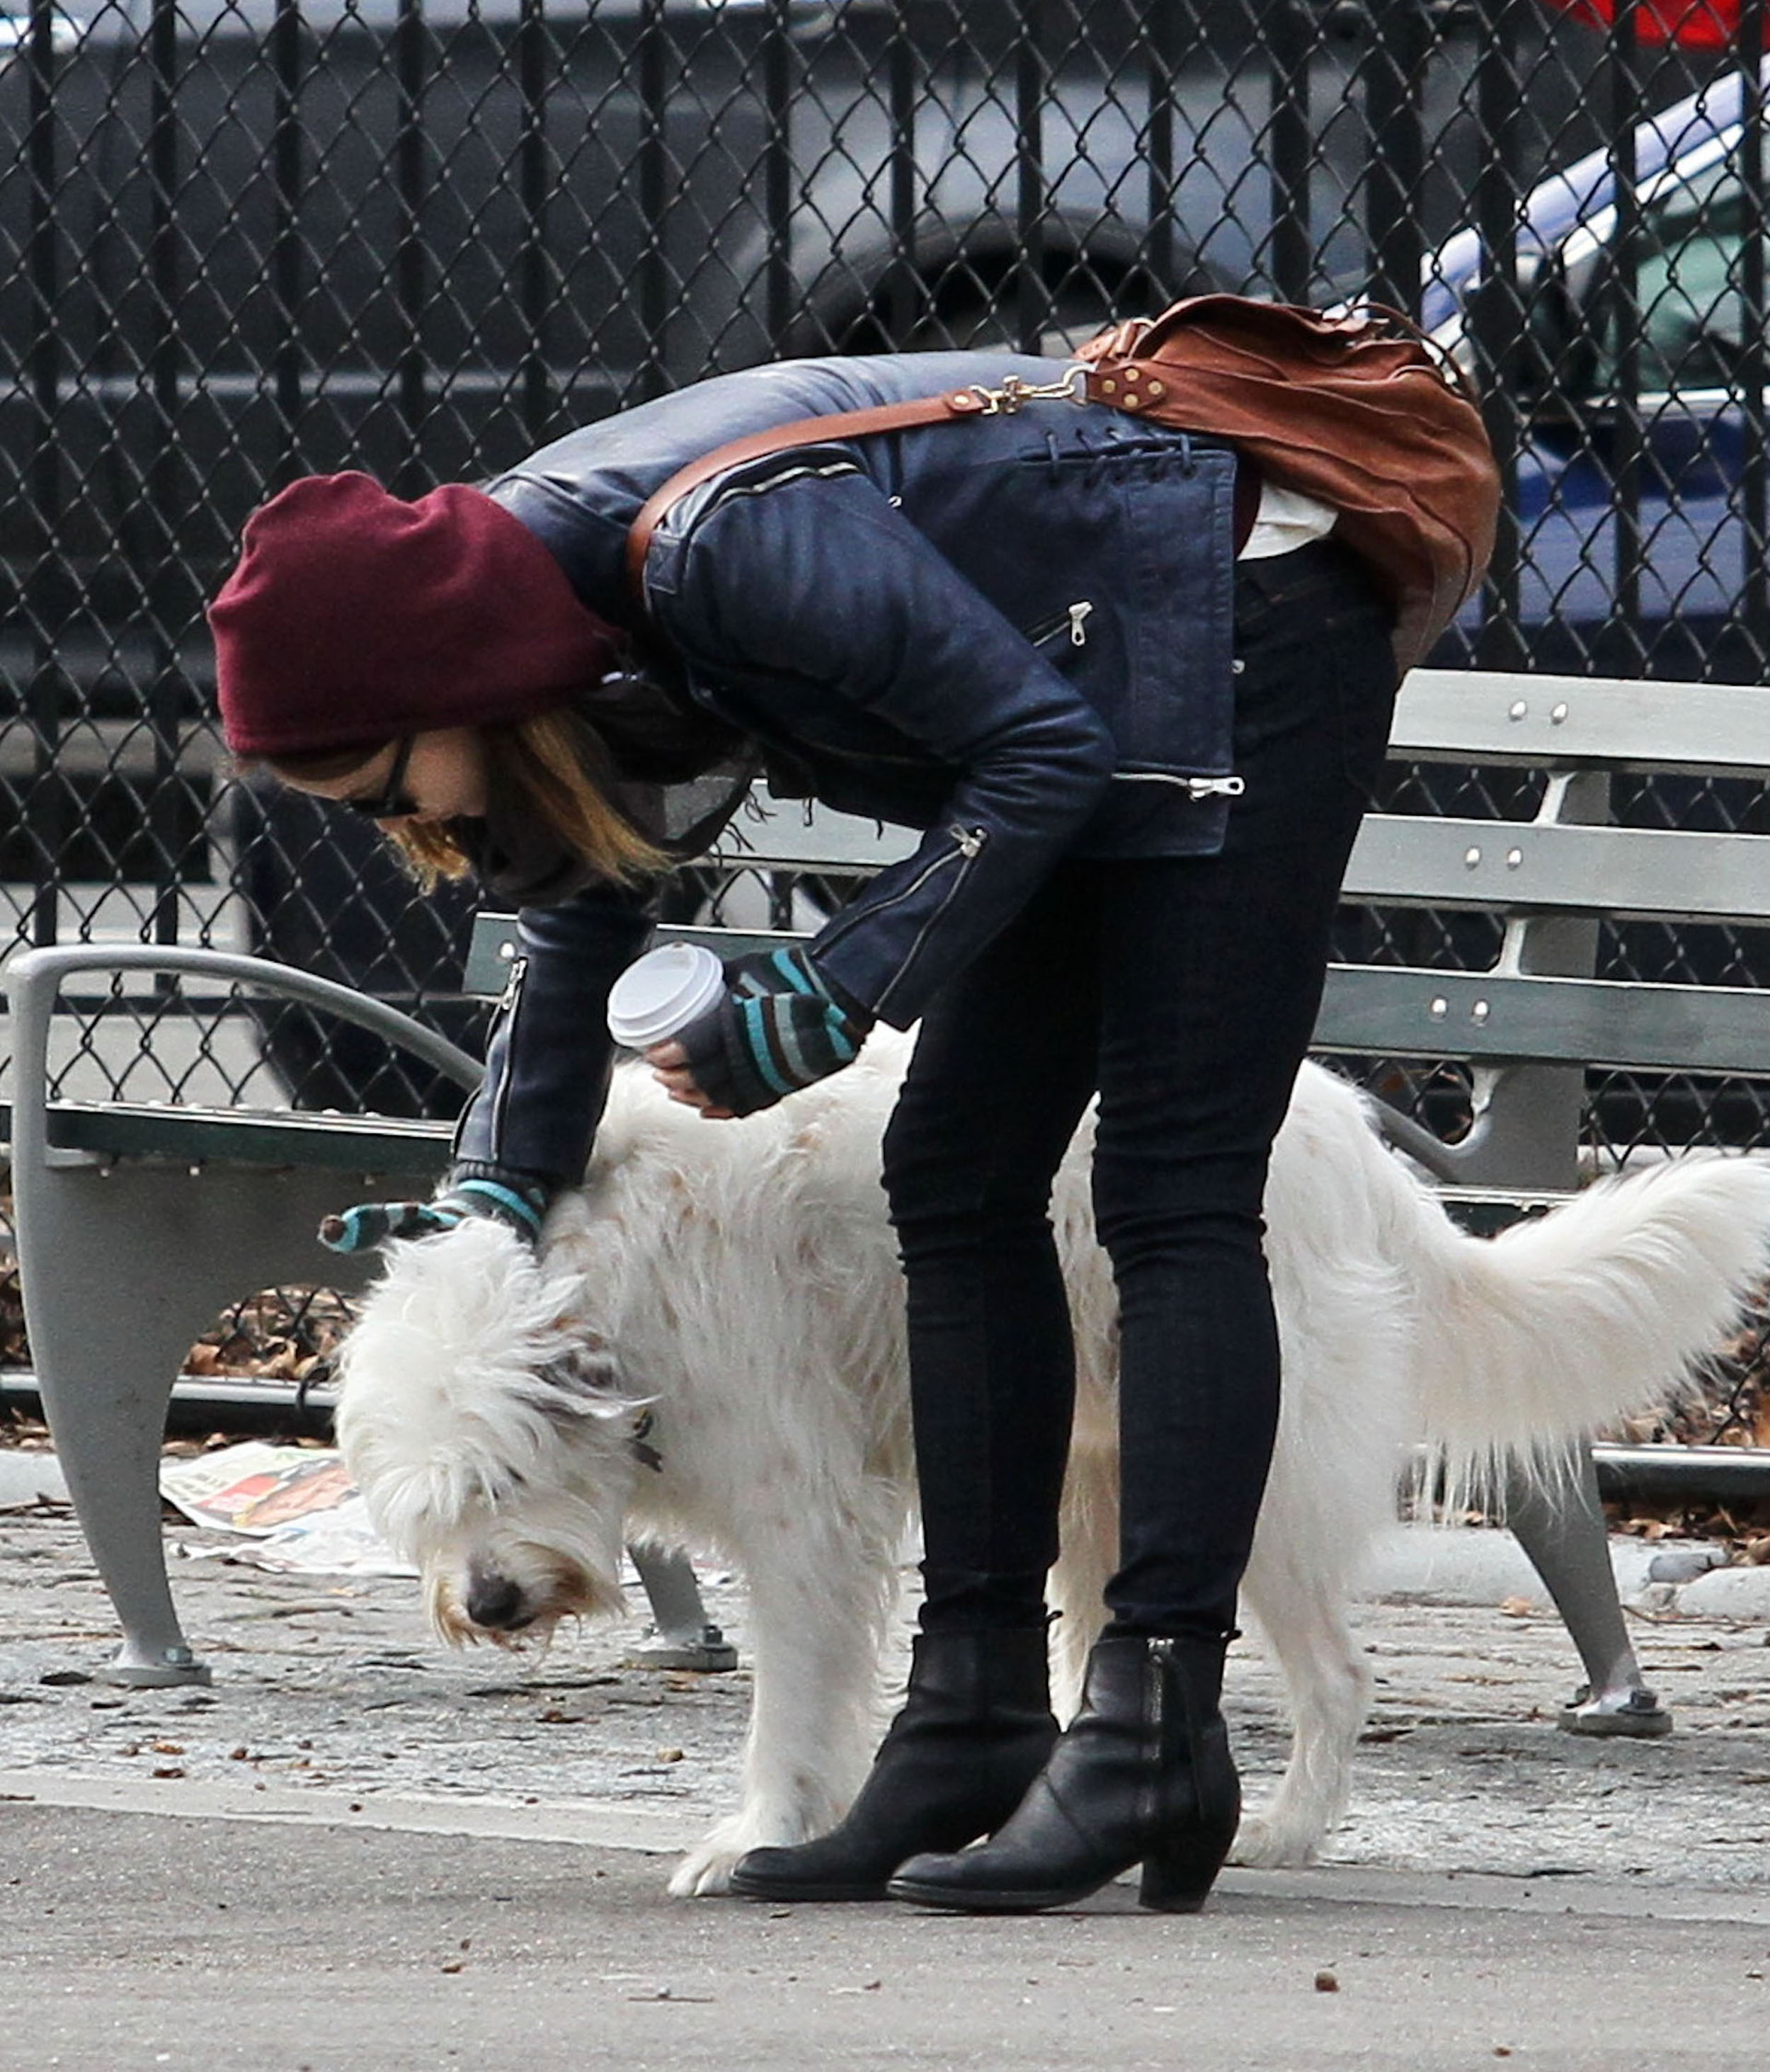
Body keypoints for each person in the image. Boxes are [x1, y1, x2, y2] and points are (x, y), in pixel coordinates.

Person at [209, 344, 1402, 1916]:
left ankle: (1155, 1726)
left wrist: (826, 992)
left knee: (1169, 1183)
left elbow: (1036, 753)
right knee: (954, 1168)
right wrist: (488, 1212)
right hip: (1079, 687)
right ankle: (974, 1715)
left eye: (375, 786)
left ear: (447, 689)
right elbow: (574, 943)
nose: (399, 827)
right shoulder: (562, 634)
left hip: (1237, 612)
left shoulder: (713, 550)